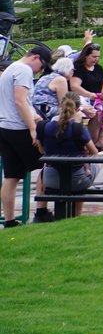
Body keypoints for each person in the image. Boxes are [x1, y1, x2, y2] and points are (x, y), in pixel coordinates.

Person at [1, 44, 50, 227]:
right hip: (18, 128)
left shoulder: (10, 69)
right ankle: (41, 210)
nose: (40, 71)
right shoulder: (24, 70)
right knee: (49, 163)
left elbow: (20, 102)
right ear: (35, 57)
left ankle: (9, 220)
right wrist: (32, 128)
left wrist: (34, 114)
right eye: (42, 66)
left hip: (4, 127)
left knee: (11, 176)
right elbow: (20, 100)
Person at [37, 92, 98, 221]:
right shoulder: (79, 129)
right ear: (77, 109)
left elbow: (42, 150)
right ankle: (77, 217)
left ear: (60, 105)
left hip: (51, 179)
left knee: (47, 166)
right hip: (77, 180)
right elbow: (94, 152)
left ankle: (41, 211)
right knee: (98, 160)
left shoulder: (45, 127)